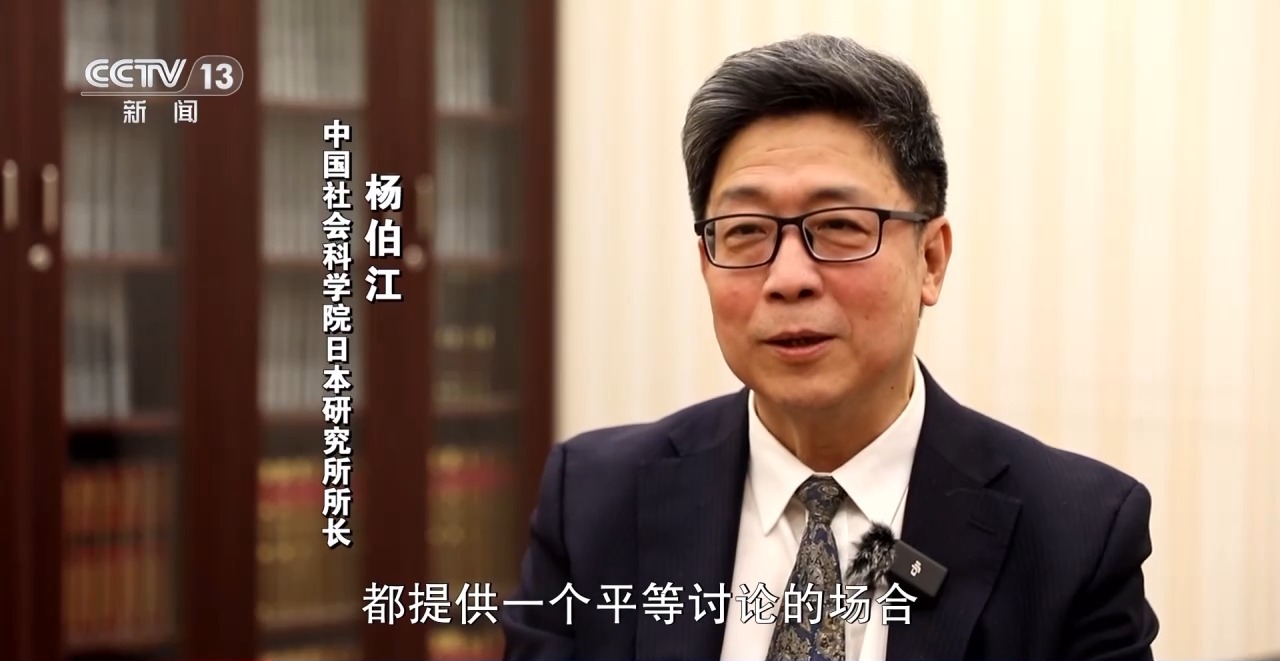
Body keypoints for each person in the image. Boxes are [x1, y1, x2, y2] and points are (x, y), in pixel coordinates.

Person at [500, 33, 1159, 661]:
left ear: (931, 260)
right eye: (746, 230)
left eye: (839, 225)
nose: (788, 278)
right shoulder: (592, 501)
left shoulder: (1076, 534)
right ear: (706, 263)